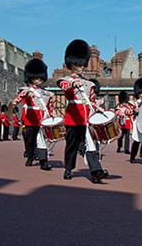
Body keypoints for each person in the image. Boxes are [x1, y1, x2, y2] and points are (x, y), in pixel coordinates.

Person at [57, 39, 109, 183]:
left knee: (90, 145)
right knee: (72, 145)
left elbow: (91, 99)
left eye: (81, 64)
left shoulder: (89, 83)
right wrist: (73, 83)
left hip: (86, 118)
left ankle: (96, 171)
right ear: (70, 64)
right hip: (73, 118)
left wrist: (97, 106)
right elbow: (63, 86)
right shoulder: (65, 79)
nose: (80, 67)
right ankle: (68, 168)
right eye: (77, 64)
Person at [12, 58, 56, 171]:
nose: (39, 80)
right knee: (30, 140)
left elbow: (50, 106)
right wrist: (16, 101)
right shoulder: (26, 90)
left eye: (40, 78)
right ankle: (30, 157)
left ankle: (43, 162)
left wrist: (52, 115)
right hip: (30, 118)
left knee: (42, 140)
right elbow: (20, 97)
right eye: (36, 78)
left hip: (41, 119)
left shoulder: (47, 93)